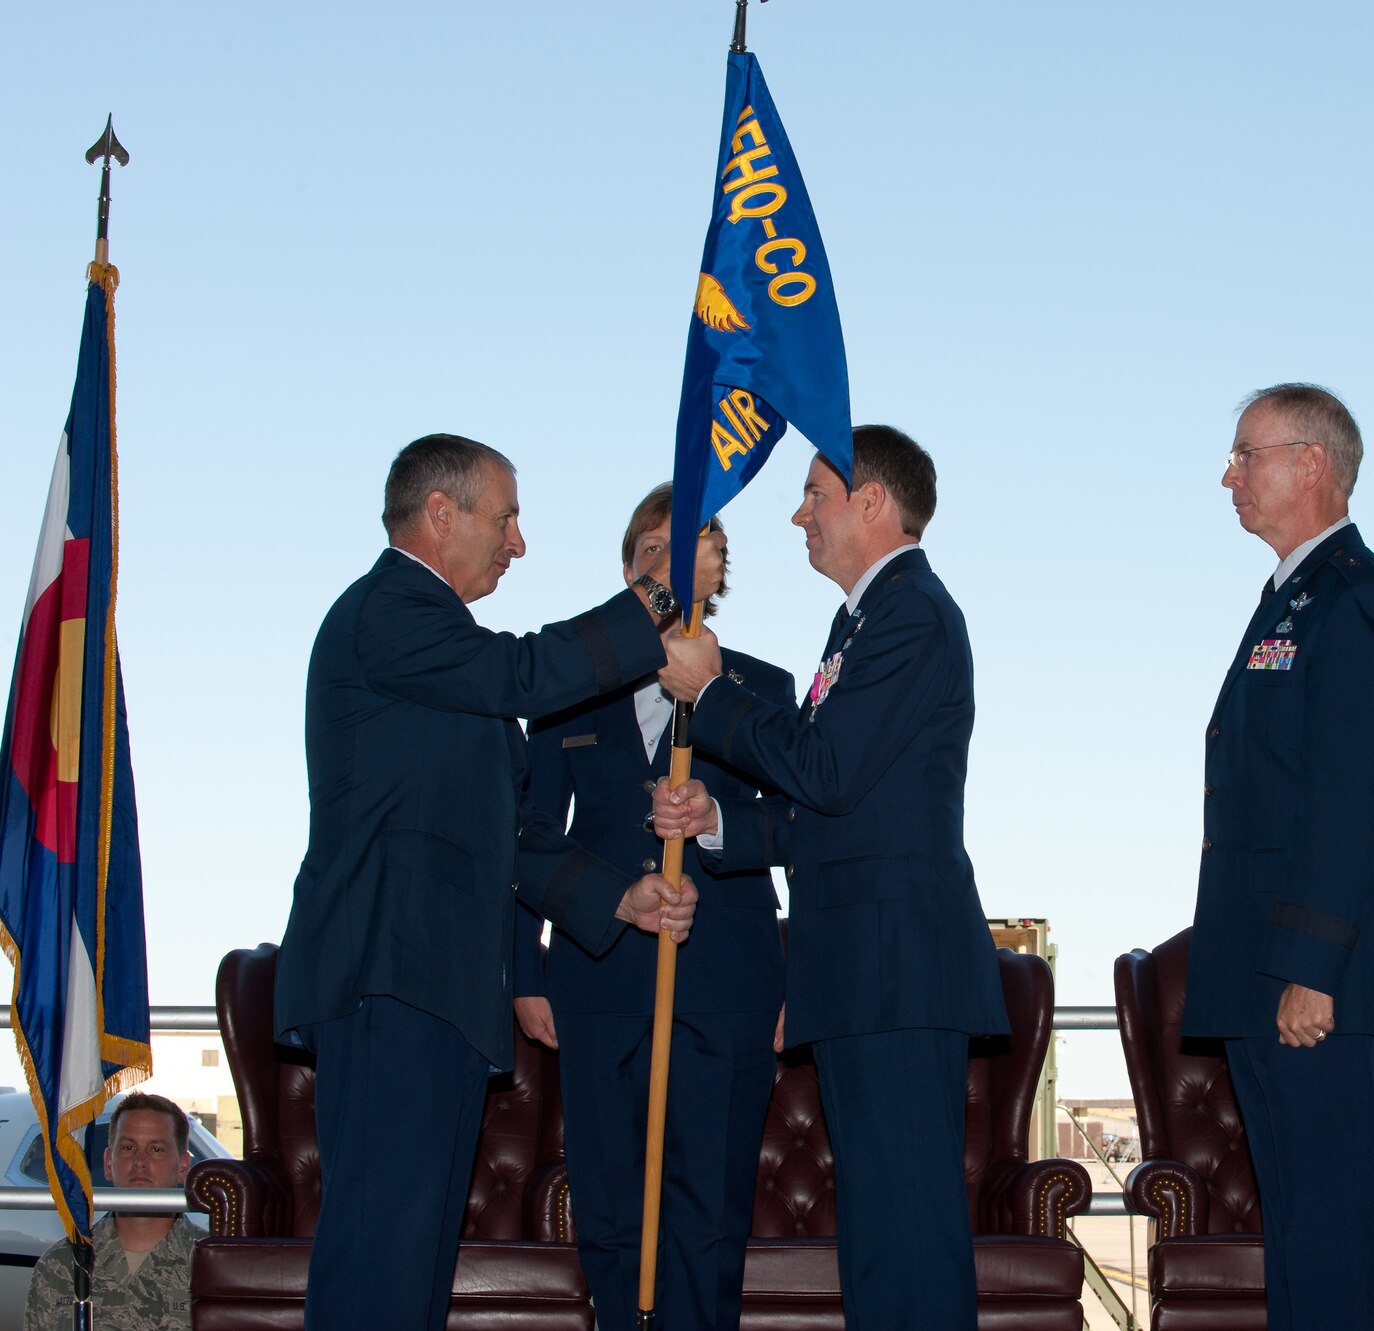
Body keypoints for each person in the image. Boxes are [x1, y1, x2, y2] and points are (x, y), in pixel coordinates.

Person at [273, 433, 714, 1331]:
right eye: (505, 517)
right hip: (388, 980)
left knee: (413, 1272)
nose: (519, 543)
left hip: (432, 991)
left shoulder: (437, 655)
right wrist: (663, 595)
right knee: (377, 1260)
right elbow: (524, 671)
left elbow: (504, 835)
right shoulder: (388, 610)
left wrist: (613, 897)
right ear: (441, 513)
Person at [652, 425, 1008, 1331]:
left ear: (874, 502)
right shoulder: (863, 617)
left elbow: (826, 768)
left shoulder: (912, 613)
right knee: (882, 1243)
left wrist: (714, 690)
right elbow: (840, 807)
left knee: (909, 1238)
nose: (799, 514)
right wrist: (724, 822)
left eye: (816, 493)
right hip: (860, 973)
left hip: (895, 972)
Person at [512, 484, 791, 1331]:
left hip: (731, 985)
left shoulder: (764, 687)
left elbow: (803, 828)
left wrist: (800, 976)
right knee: (608, 1211)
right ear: (629, 577)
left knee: (709, 1217)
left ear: (717, 574)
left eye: (687, 555)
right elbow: (524, 839)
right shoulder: (567, 699)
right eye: (649, 556)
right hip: (597, 988)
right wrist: (526, 975)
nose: (666, 572)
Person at [1180, 384, 1374, 1331]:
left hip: (1320, 985)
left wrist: (1312, 969)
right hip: (1264, 971)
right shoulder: (1291, 596)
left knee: (1335, 1249)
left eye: (1248, 454)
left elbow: (1348, 796)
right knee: (1301, 1248)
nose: (1229, 475)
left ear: (1310, 463)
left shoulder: (1354, 598)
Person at [24, 1094, 200, 1331]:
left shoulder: (211, 1264)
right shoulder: (62, 1266)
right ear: (108, 1163)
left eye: (156, 1149)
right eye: (128, 1148)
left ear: (182, 1167)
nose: (140, 1161)